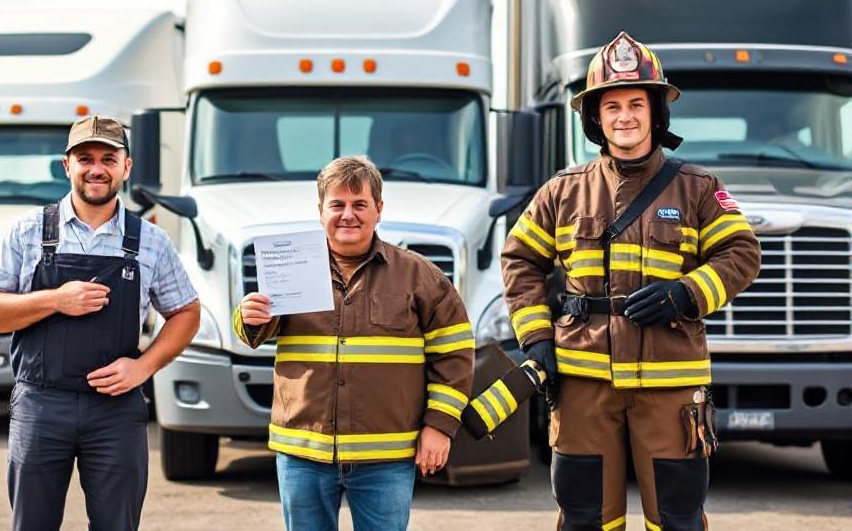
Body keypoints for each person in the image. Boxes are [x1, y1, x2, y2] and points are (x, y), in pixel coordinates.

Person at [502, 32, 760, 530]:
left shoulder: (698, 188)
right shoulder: (562, 191)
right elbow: (520, 261)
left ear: (656, 112)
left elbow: (742, 253)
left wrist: (686, 293)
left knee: (678, 520)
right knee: (583, 519)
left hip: (671, 385)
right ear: (594, 118)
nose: (625, 116)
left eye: (636, 103)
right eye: (612, 105)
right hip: (583, 383)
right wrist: (536, 339)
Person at [0, 114, 200, 531]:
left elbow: (186, 313)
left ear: (126, 167)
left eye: (108, 159)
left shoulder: (150, 240)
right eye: (85, 158)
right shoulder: (28, 232)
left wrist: (144, 367)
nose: (96, 168)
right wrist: (56, 300)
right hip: (41, 404)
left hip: (116, 412)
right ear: (67, 166)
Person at [235, 156, 474, 531]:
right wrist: (248, 317)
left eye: (360, 204)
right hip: (303, 451)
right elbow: (256, 333)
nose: (348, 215)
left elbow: (455, 353)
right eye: (338, 205)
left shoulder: (419, 275)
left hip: (386, 456)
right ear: (320, 211)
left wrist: (440, 426)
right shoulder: (290, 267)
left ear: (378, 210)